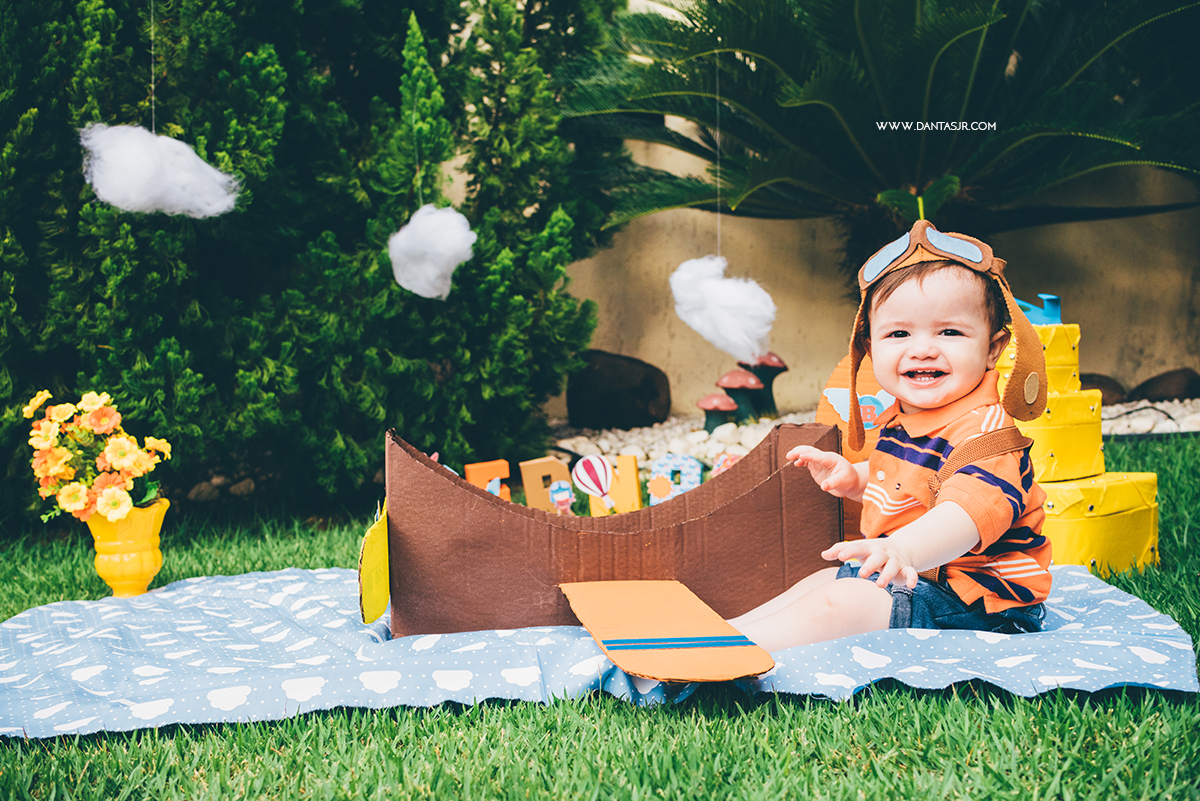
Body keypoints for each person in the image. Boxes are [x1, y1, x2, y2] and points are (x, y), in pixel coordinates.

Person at [730, 220, 1053, 653]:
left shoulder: (987, 436)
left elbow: (963, 514)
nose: (922, 348)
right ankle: (723, 631)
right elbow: (917, 480)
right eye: (899, 333)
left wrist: (903, 549)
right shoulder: (910, 417)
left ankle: (729, 649)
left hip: (977, 603)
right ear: (868, 344)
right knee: (823, 579)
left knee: (839, 601)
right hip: (917, 574)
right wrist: (858, 477)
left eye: (949, 331)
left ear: (993, 348)